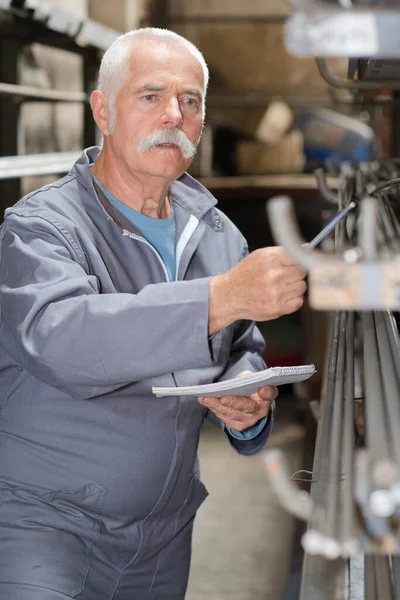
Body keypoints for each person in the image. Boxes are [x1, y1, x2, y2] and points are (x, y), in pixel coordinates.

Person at [0, 28, 306, 600]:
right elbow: (65, 338)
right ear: (102, 110)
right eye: (150, 95)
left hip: (162, 540)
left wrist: (247, 399)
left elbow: (239, 348)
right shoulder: (40, 229)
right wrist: (220, 298)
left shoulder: (216, 234)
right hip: (44, 530)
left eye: (190, 101)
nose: (174, 114)